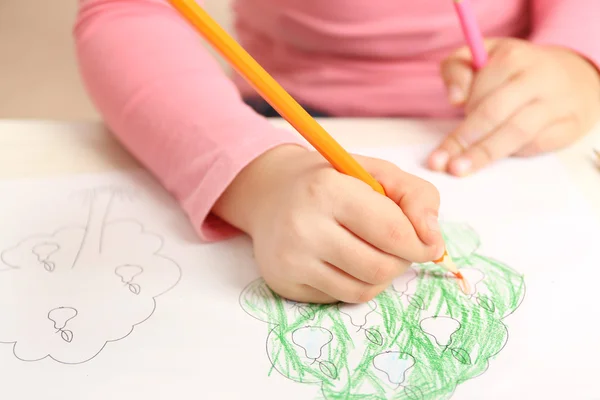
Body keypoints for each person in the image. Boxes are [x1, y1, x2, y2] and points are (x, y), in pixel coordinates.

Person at [73, 0, 600, 304]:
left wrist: (579, 58)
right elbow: (125, 13)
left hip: (521, 105)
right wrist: (256, 178)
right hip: (282, 122)